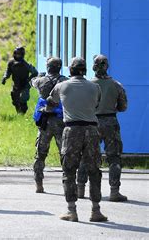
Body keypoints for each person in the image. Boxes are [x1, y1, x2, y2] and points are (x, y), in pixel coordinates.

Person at [47, 57, 107, 222]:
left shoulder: (62, 86)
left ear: (71, 70)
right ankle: (96, 211)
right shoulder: (95, 87)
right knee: (94, 170)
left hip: (72, 130)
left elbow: (51, 101)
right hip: (92, 130)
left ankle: (71, 211)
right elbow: (96, 105)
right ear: (85, 70)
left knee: (69, 170)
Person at [77, 55, 128, 202]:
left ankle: (80, 188)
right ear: (107, 66)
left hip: (92, 122)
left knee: (86, 156)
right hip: (111, 122)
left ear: (93, 67)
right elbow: (123, 107)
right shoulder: (116, 85)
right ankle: (114, 191)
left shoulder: (88, 85)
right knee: (114, 157)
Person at [31, 57, 68, 193]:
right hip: (60, 120)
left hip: (45, 121)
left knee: (40, 154)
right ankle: (67, 183)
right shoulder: (65, 81)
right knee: (64, 153)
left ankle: (39, 183)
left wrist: (38, 76)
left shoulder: (41, 81)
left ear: (48, 67)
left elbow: (33, 82)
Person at [1, 46, 38, 114]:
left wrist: (29, 80)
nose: (17, 55)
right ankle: (19, 112)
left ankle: (23, 112)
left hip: (25, 84)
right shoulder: (11, 63)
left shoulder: (26, 64)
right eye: (16, 54)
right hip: (16, 84)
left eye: (19, 54)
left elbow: (35, 72)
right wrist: (5, 77)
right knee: (15, 99)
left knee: (23, 99)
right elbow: (8, 71)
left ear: (22, 55)